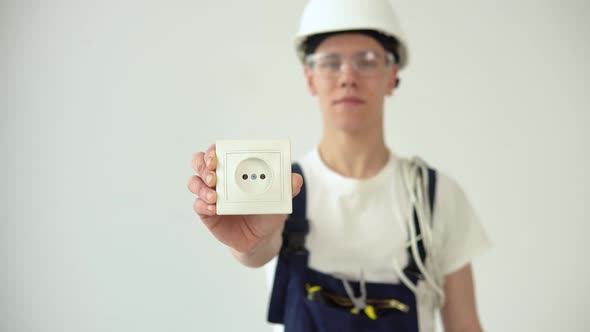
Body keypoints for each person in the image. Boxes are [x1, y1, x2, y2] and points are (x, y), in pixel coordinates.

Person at [187, 0, 490, 331]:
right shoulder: (279, 186)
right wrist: (246, 245)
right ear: (310, 78)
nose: (348, 77)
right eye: (330, 62)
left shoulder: (438, 197)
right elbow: (256, 248)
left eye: (368, 60)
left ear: (392, 76)